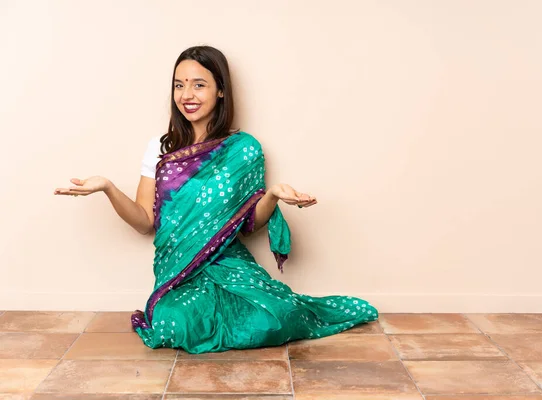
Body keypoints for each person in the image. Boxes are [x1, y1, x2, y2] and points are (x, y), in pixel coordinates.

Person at [54, 45, 378, 354]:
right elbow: (144, 222)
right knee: (174, 325)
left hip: (230, 264)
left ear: (220, 90)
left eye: (198, 84)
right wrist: (108, 188)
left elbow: (250, 225)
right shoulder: (161, 148)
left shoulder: (244, 150)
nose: (186, 95)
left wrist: (274, 194)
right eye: (179, 85)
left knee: (275, 316)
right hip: (178, 271)